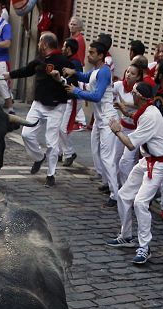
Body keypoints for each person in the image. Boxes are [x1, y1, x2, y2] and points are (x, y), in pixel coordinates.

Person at [106, 82, 163, 265]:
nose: (131, 95)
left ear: (139, 97)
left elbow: (131, 144)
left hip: (158, 165)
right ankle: (126, 236)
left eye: (133, 93)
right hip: (146, 161)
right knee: (124, 195)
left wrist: (117, 131)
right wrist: (124, 111)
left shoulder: (150, 116)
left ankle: (144, 247)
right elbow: (135, 115)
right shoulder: (146, 111)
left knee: (140, 202)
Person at [4, 32, 70, 188]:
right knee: (26, 134)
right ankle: (39, 157)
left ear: (45, 44)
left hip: (56, 106)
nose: (38, 44)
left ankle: (51, 174)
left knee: (51, 142)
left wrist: (61, 79)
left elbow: (72, 79)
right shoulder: (40, 60)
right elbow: (27, 70)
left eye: (40, 41)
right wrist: (9, 75)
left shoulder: (62, 61)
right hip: (38, 104)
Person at [64, 41, 117, 207]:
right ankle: (107, 182)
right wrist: (74, 72)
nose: (89, 55)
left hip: (108, 119)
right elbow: (86, 77)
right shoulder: (97, 70)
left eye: (92, 53)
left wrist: (76, 91)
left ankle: (115, 195)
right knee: (97, 152)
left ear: (101, 56)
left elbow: (96, 96)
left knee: (108, 158)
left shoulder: (104, 72)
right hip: (100, 119)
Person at [112, 63, 145, 191]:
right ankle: (115, 189)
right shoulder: (119, 85)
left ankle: (127, 191)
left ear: (138, 77)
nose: (128, 75)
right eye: (127, 72)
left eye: (132, 73)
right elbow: (107, 91)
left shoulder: (139, 89)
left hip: (135, 130)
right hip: (122, 127)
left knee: (126, 162)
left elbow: (137, 104)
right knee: (115, 158)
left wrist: (122, 104)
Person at [58, 37, 82, 167]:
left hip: (73, 99)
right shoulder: (69, 60)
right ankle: (62, 152)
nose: (62, 48)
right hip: (67, 99)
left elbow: (75, 81)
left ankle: (69, 152)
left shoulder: (75, 63)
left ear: (69, 49)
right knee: (59, 126)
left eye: (64, 46)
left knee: (64, 128)